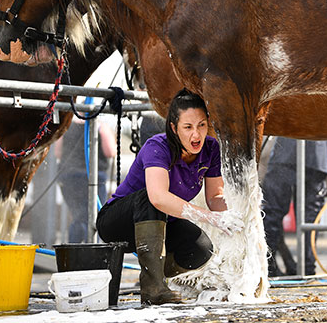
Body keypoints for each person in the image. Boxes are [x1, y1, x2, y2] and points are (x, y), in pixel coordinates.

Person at [96, 89, 243, 305]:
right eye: (188, 127)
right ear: (174, 128)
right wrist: (211, 218)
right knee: (152, 198)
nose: (196, 135)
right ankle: (154, 288)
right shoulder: (157, 147)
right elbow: (158, 198)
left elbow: (215, 197)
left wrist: (233, 216)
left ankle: (159, 274)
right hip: (118, 224)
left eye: (202, 125)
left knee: (201, 248)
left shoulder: (211, 149)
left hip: (161, 224)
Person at [261, 134, 327, 276]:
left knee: (272, 212)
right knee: (311, 218)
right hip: (316, 156)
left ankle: (266, 269)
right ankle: (307, 271)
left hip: (284, 153)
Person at [56, 116, 116, 243]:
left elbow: (58, 152)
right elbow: (110, 151)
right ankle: (90, 251)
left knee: (78, 215)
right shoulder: (100, 127)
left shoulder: (67, 127)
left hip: (69, 178)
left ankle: (74, 250)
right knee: (92, 217)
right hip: (93, 178)